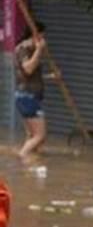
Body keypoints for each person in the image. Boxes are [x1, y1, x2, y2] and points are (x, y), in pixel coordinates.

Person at [14, 22, 51, 158]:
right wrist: (39, 50)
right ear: (35, 34)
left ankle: (31, 170)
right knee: (40, 136)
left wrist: (51, 77)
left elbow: (29, 76)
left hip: (26, 96)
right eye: (41, 35)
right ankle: (22, 158)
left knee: (32, 136)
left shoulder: (29, 48)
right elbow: (28, 69)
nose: (43, 39)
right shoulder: (23, 48)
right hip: (27, 97)